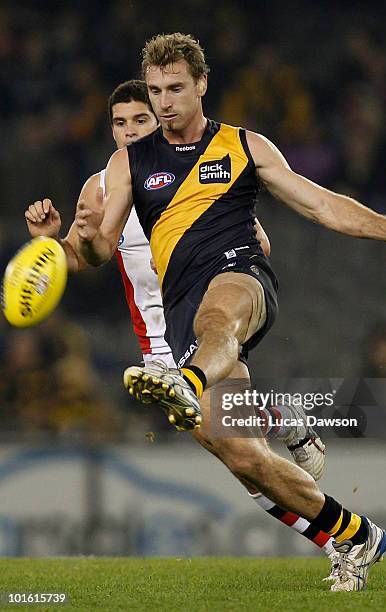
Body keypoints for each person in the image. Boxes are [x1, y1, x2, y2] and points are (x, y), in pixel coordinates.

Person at [67, 34, 386, 590]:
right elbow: (101, 250)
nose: (163, 103)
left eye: (176, 89)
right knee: (248, 461)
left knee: (219, 319)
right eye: (155, 91)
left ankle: (188, 379)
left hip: (240, 277)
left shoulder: (244, 147)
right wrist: (79, 240)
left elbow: (320, 203)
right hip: (180, 309)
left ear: (202, 85)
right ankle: (355, 537)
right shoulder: (128, 163)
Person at [25, 79, 338, 576]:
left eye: (140, 120)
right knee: (244, 465)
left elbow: (260, 247)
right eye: (120, 123)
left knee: (244, 459)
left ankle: (344, 539)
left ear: (160, 120)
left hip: (204, 333)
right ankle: (283, 421)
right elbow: (79, 258)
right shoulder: (102, 187)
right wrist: (49, 243)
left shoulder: (192, 177)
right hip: (157, 352)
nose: (130, 132)